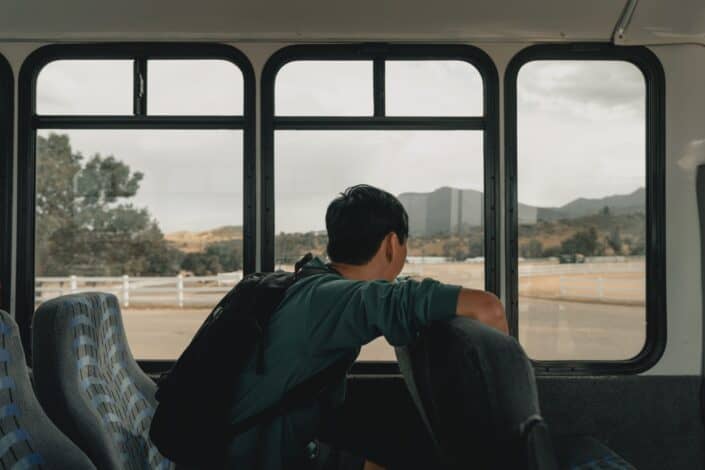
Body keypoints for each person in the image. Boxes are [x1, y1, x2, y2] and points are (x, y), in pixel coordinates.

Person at [226, 184, 508, 469]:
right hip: (255, 457)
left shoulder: (313, 284)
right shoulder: (346, 299)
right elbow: (488, 308)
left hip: (254, 445)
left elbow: (395, 290)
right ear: (391, 244)